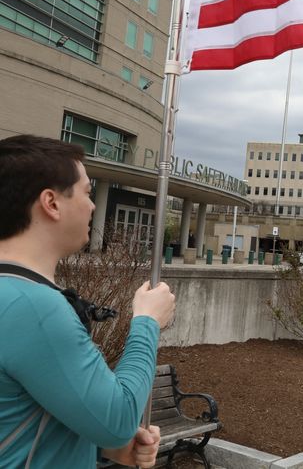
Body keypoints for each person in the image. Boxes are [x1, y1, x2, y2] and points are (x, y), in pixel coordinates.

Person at [0, 135, 175, 468]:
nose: (93, 206)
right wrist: (147, 323)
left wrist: (104, 449)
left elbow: (19, 412)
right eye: (87, 193)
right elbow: (119, 420)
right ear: (51, 203)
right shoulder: (33, 307)